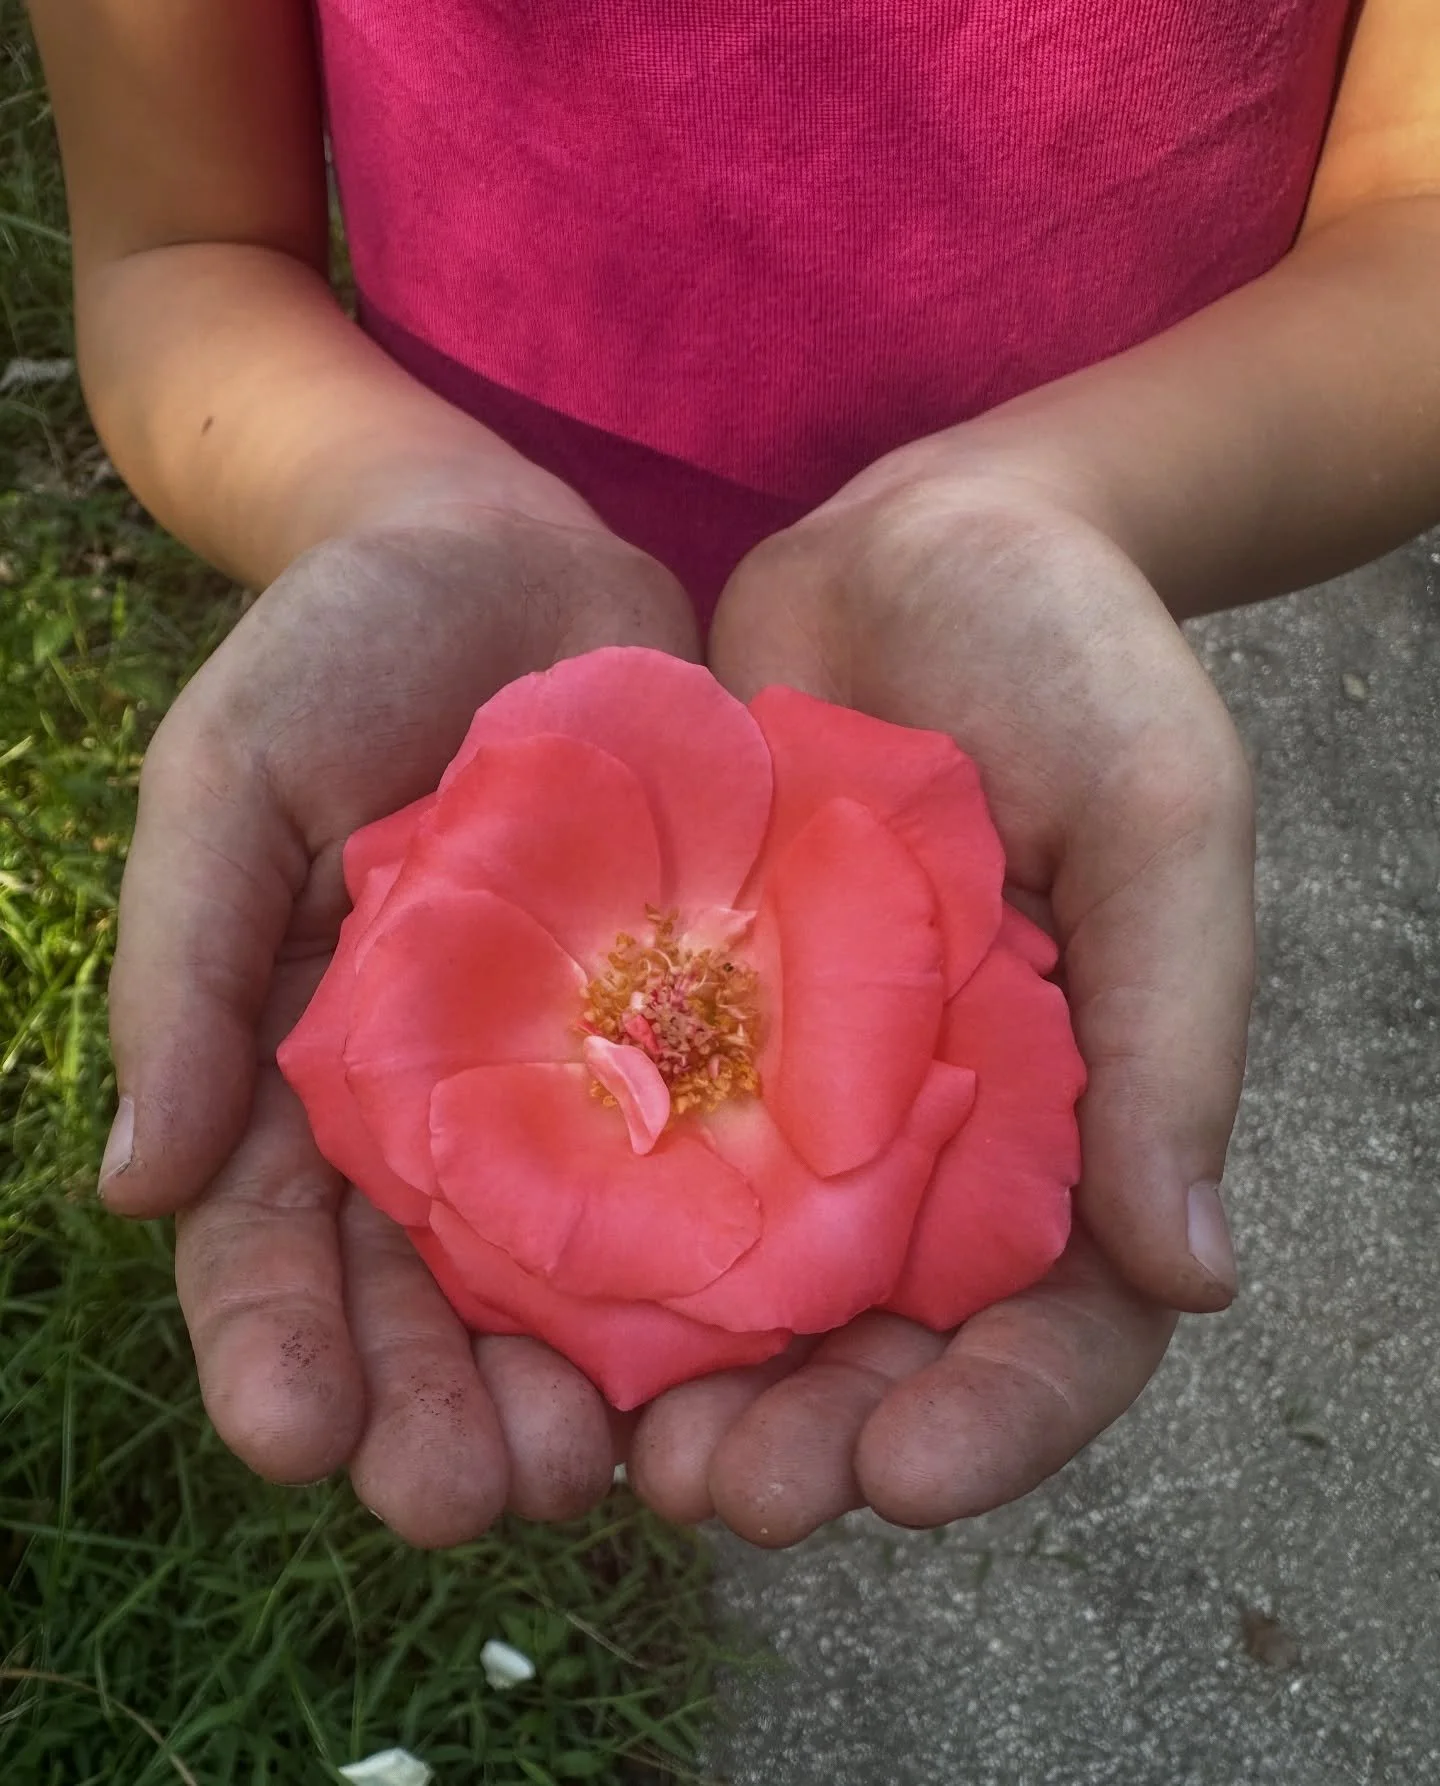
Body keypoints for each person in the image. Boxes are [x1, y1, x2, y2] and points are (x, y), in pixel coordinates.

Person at [27, 0, 1439, 1550]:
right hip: (468, 457)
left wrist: (1059, 509)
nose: (665, 1023)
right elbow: (184, 250)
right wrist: (405, 504)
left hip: (1067, 528)